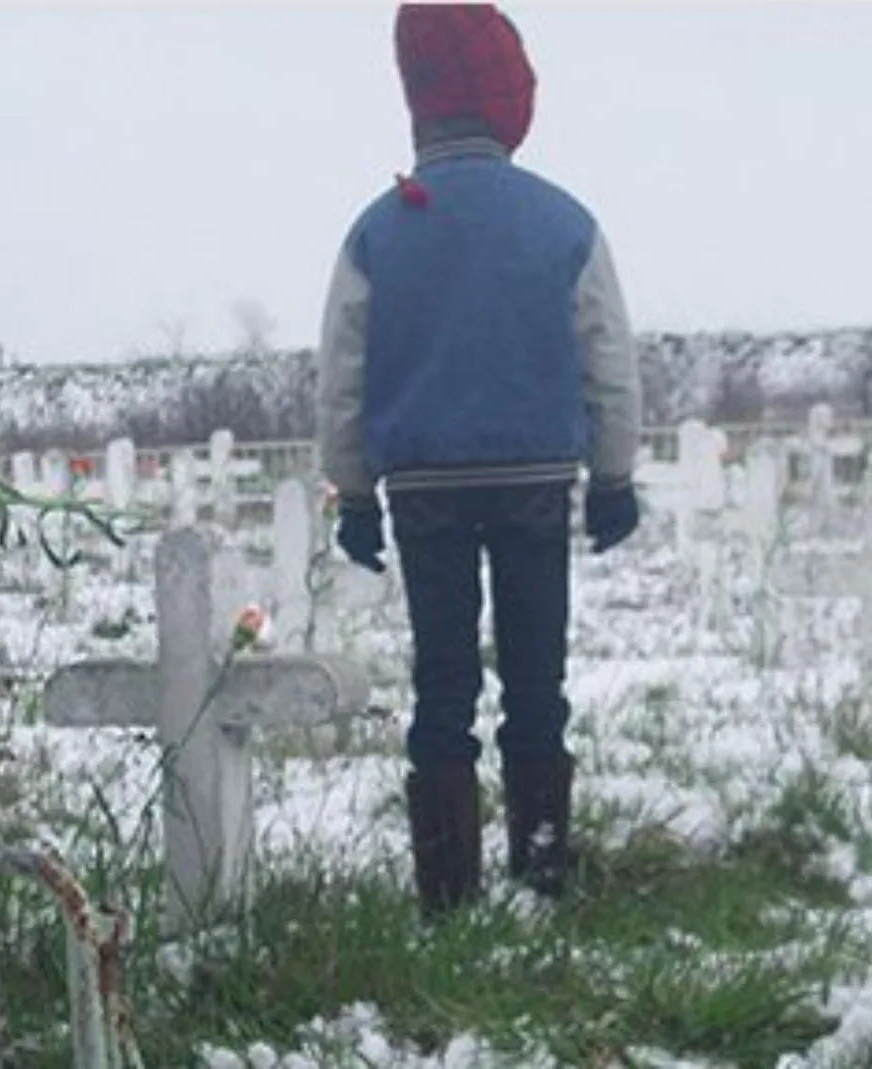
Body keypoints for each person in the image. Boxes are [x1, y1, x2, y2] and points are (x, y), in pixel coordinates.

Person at [314, 3, 642, 921]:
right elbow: (606, 357)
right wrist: (613, 477)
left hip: (424, 488)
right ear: (504, 103)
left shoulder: (379, 229)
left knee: (444, 680)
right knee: (539, 676)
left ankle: (447, 890)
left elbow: (343, 371)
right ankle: (540, 868)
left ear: (420, 101)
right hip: (536, 479)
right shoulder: (563, 221)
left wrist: (354, 489)